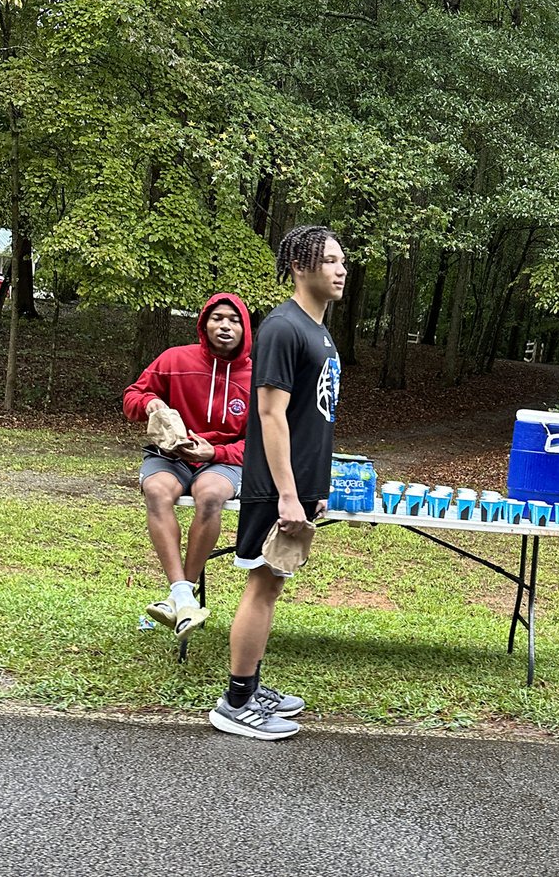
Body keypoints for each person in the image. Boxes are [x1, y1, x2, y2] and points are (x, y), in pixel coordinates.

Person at [208, 225, 346, 741]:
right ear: (300, 266)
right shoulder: (282, 328)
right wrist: (288, 493)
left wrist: (316, 487)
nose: (340, 270)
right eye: (329, 261)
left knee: (273, 584)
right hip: (276, 486)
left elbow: (316, 417)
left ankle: (251, 685)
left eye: (342, 261)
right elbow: (270, 414)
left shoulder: (319, 331)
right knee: (262, 585)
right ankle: (236, 701)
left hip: (301, 485)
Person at [123, 294, 252, 642]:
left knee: (210, 495)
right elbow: (132, 397)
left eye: (234, 320)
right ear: (204, 324)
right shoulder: (174, 359)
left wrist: (217, 452)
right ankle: (183, 596)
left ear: (246, 327)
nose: (225, 325)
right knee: (156, 490)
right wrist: (151, 403)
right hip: (170, 457)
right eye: (217, 318)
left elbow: (260, 444)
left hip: (221, 461)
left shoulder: (257, 376)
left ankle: (181, 593)